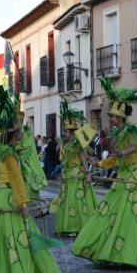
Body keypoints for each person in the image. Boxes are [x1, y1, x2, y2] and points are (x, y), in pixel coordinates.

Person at [0, 85, 66, 273]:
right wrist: (24, 204)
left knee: (0, 238)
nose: (20, 137)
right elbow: (17, 181)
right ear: (14, 136)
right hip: (10, 198)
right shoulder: (10, 155)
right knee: (20, 238)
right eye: (19, 134)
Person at [72, 77, 137, 268]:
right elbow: (115, 158)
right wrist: (99, 163)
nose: (109, 119)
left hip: (136, 177)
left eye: (112, 116)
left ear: (120, 118)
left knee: (131, 216)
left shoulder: (131, 130)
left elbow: (135, 147)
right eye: (110, 116)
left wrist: (120, 152)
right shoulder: (117, 135)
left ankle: (130, 254)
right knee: (109, 211)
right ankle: (111, 250)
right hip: (123, 176)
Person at [52, 100, 97, 236]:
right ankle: (69, 225)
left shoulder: (77, 144)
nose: (63, 133)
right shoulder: (65, 144)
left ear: (72, 132)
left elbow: (83, 159)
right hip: (67, 177)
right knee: (67, 201)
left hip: (77, 176)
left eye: (65, 131)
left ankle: (78, 226)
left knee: (77, 200)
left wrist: (87, 173)